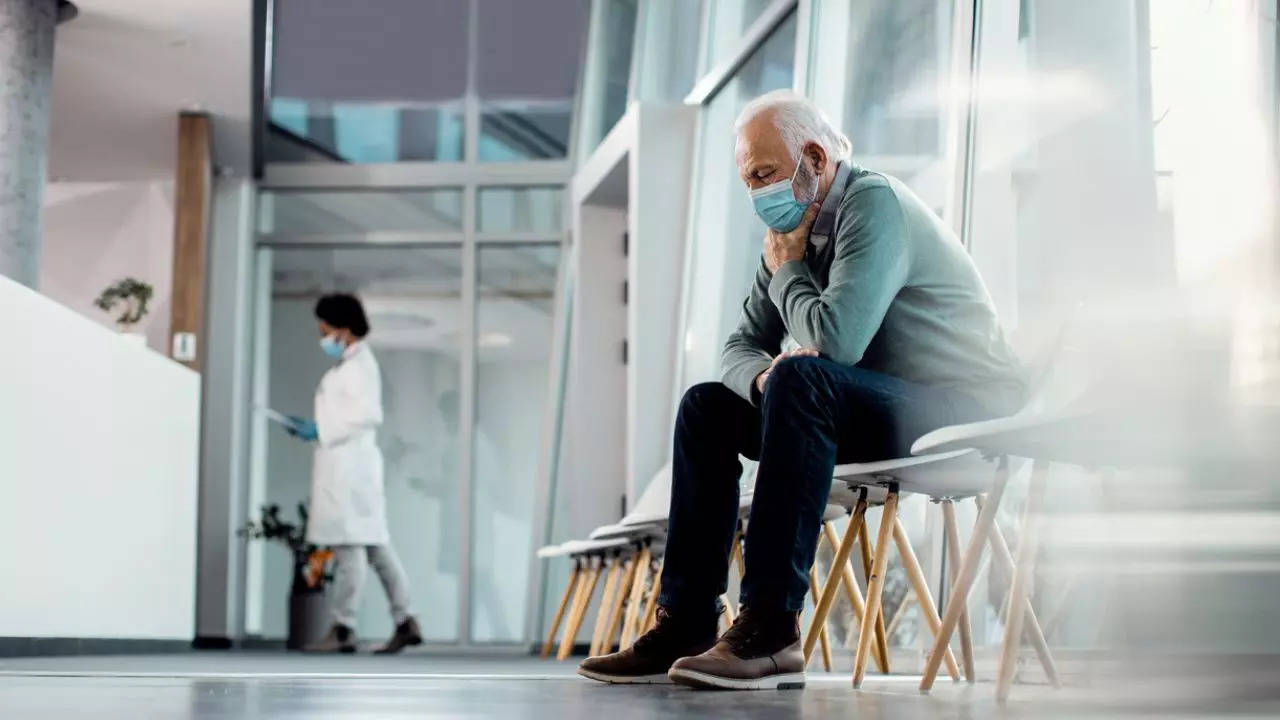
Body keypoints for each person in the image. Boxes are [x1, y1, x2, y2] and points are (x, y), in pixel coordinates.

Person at [578, 90, 1026, 690]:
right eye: (747, 180)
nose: (756, 194)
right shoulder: (790, 234)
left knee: (804, 376)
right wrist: (762, 375)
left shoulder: (873, 205)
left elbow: (836, 344)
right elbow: (737, 349)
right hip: (882, 403)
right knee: (707, 407)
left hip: (966, 409)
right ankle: (686, 621)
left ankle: (771, 627)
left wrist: (788, 276)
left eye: (764, 174)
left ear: (814, 158)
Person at [290, 293, 423, 654]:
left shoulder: (360, 366)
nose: (323, 337)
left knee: (350, 548)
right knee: (377, 547)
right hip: (349, 465)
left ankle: (344, 626)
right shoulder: (351, 364)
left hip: (351, 467)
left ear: (345, 330)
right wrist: (318, 428)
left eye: (326, 330)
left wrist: (320, 429)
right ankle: (406, 618)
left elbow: (367, 414)